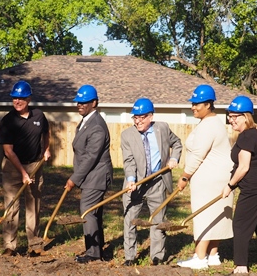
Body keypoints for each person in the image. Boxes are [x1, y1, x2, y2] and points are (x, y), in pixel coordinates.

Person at [175, 84, 234, 270]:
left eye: (197, 104)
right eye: (192, 103)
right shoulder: (215, 123)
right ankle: (213, 255)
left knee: (202, 216)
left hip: (208, 178)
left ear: (208, 104)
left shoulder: (208, 126)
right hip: (220, 177)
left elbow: (197, 155)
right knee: (215, 214)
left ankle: (200, 258)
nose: (193, 107)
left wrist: (184, 177)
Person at [120, 98, 182, 266]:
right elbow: (129, 161)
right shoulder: (127, 135)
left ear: (151, 116)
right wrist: (131, 180)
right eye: (135, 117)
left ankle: (157, 257)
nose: (138, 121)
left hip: (157, 181)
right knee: (130, 220)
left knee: (158, 220)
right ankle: (130, 257)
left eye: (142, 117)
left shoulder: (162, 128)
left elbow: (177, 143)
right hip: (136, 184)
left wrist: (174, 158)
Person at [222, 95, 257, 274]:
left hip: (253, 187)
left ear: (246, 117)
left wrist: (230, 185)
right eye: (229, 116)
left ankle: (240, 265)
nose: (231, 120)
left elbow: (244, 166)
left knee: (240, 224)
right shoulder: (256, 134)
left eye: (234, 117)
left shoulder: (245, 137)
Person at [0, 80, 51, 256]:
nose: (17, 102)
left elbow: (46, 132)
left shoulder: (39, 116)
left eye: (20, 98)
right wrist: (23, 173)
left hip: (35, 164)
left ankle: (34, 244)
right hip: (13, 167)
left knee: (33, 205)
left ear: (28, 98)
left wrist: (46, 149)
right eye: (14, 98)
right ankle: (9, 246)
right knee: (11, 205)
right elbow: (8, 150)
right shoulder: (8, 121)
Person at [64, 84, 113, 264]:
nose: (80, 105)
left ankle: (93, 254)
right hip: (91, 175)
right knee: (95, 213)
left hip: (97, 175)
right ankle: (97, 250)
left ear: (94, 103)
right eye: (78, 102)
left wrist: (73, 179)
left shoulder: (97, 126)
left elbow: (91, 157)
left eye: (84, 102)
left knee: (87, 212)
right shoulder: (87, 121)